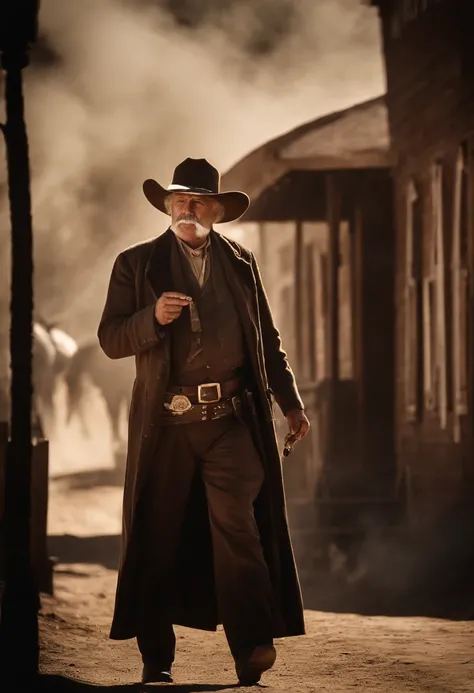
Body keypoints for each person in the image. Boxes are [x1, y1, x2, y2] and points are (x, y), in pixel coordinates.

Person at [97, 158, 310, 685]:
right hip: (165, 426)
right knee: (157, 533)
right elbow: (110, 338)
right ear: (167, 207)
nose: (186, 210)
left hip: (231, 422)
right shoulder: (136, 264)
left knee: (240, 529)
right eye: (177, 202)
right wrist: (153, 319)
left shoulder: (241, 263)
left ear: (216, 210)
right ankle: (157, 659)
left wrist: (291, 402)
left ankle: (252, 647)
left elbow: (268, 340)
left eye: (197, 202)